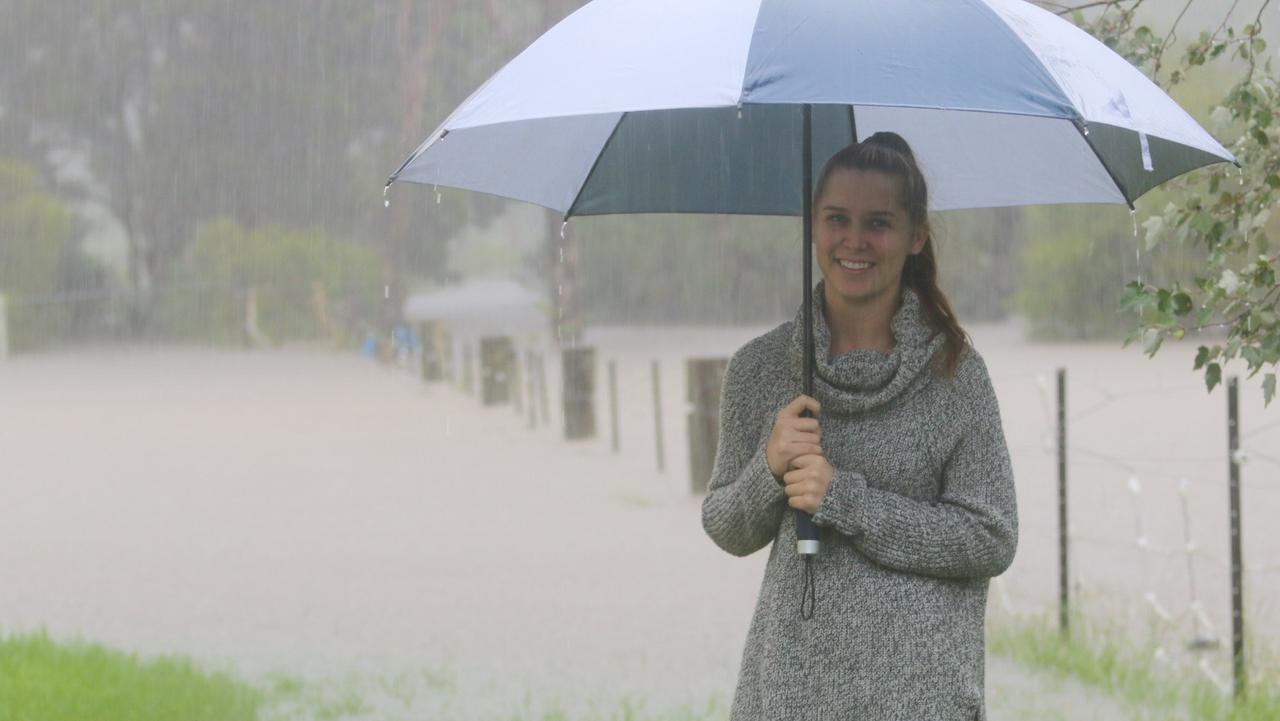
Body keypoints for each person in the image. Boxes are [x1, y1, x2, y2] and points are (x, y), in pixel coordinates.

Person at [701, 132, 1018, 721]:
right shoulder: (762, 369)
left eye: (878, 223)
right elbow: (725, 526)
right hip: (796, 689)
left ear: (915, 235)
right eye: (836, 219)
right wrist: (769, 468)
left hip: (923, 694)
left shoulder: (956, 374)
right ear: (813, 226)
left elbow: (991, 537)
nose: (854, 240)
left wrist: (846, 500)